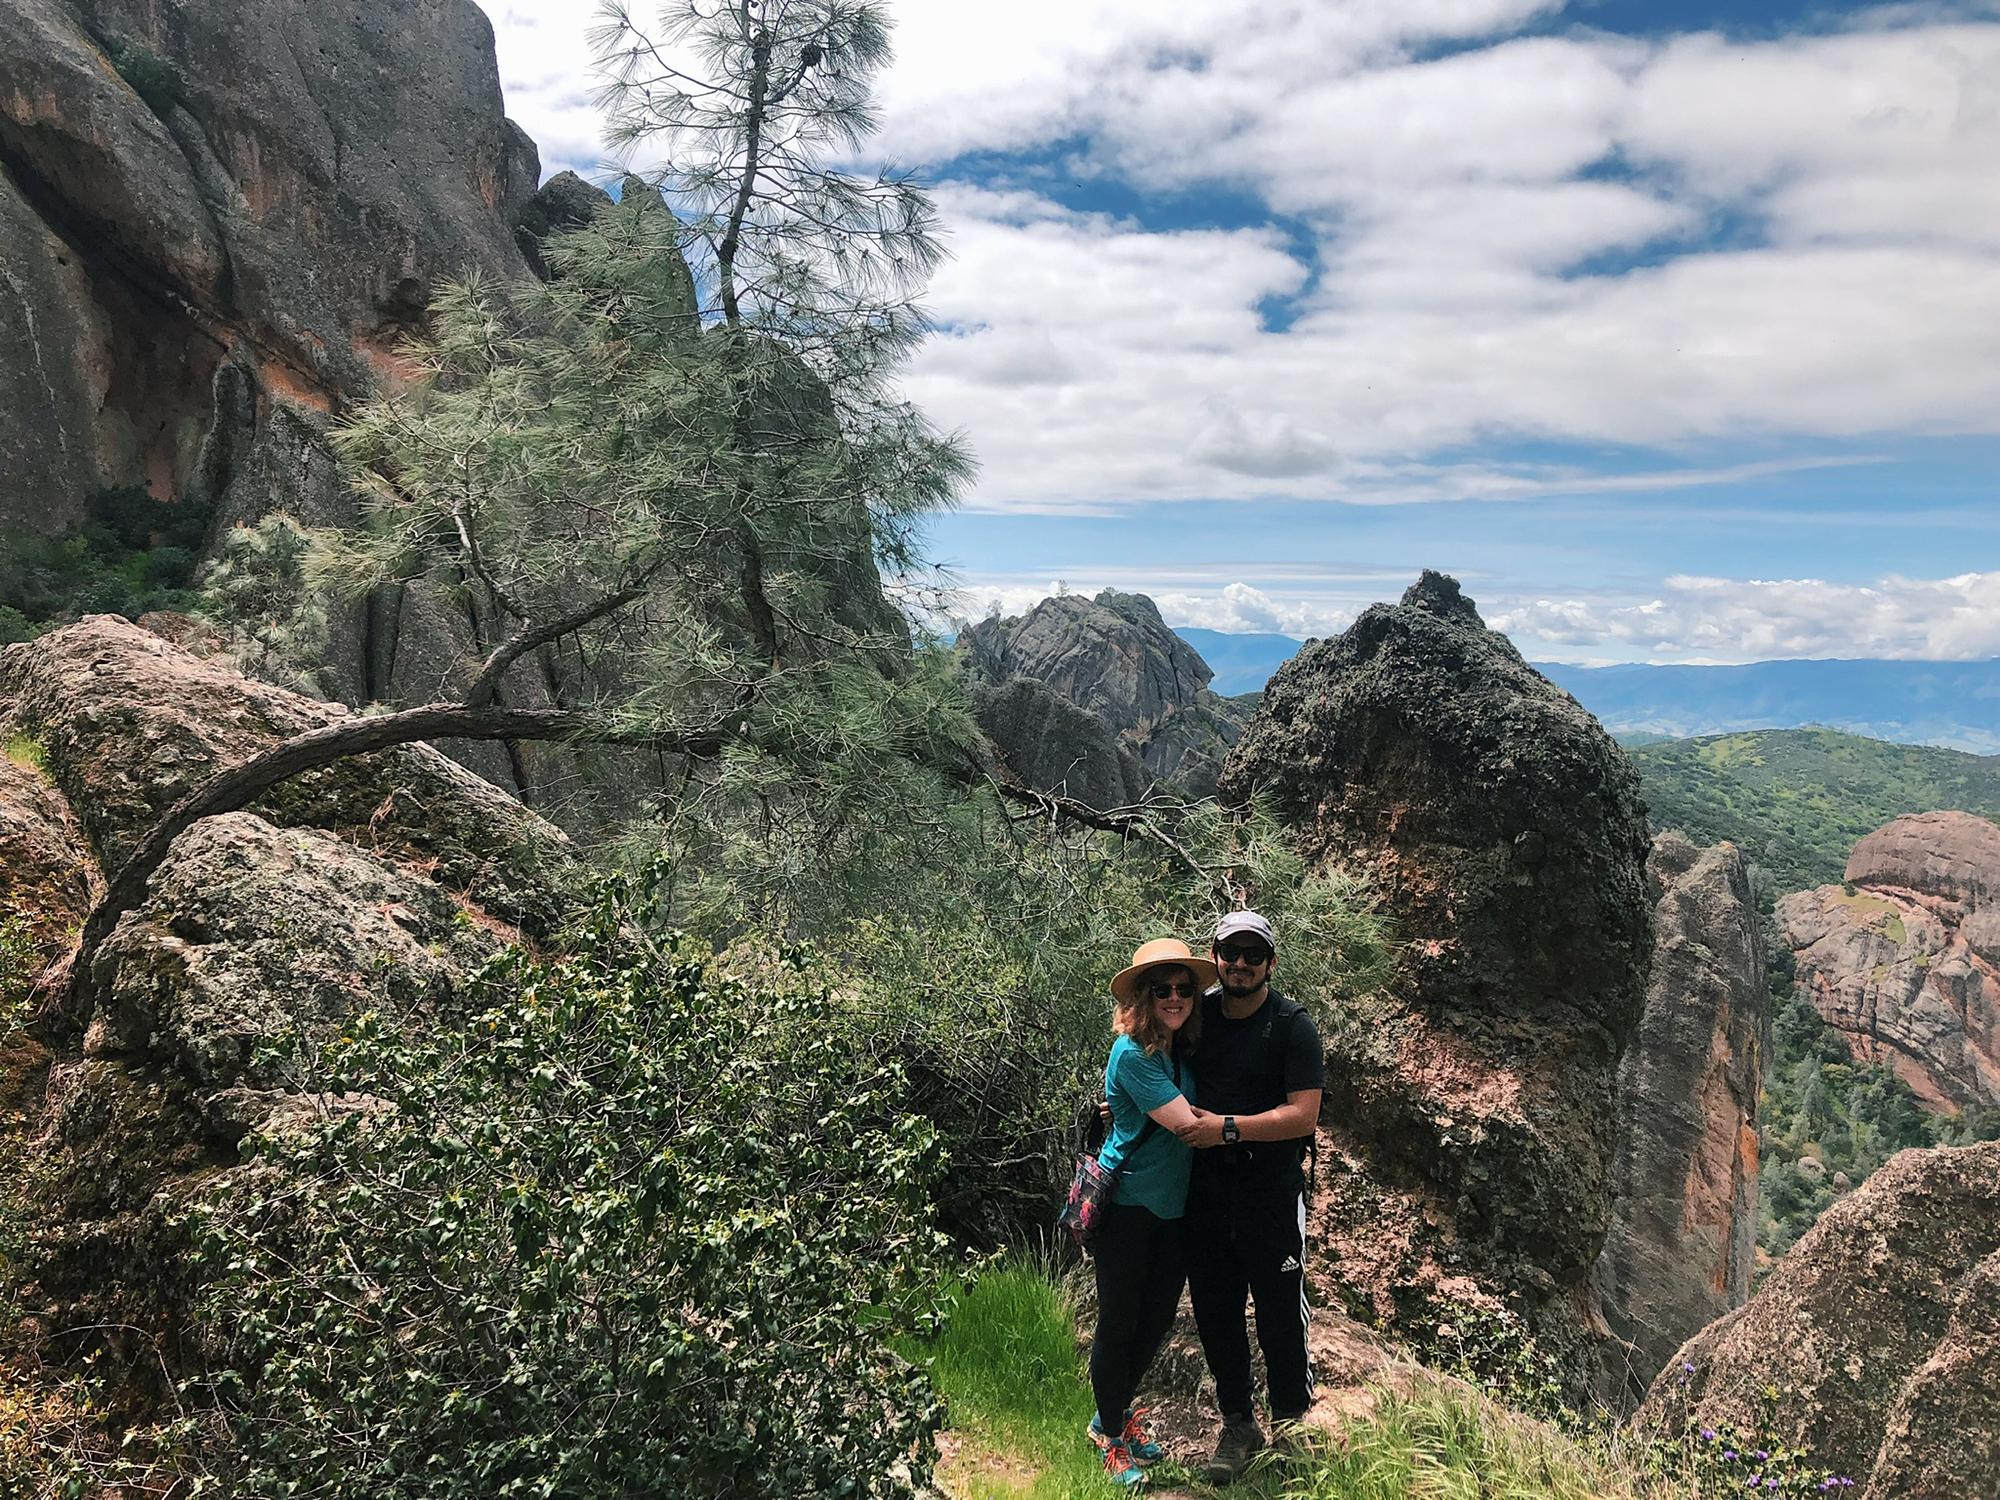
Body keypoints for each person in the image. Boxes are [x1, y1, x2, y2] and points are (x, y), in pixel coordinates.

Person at [1174, 911, 1324, 1485]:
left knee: (1281, 1313)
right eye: (1228, 952)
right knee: (1215, 1311)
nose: (1239, 963)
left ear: (1270, 964)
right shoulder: (1197, 1018)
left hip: (1270, 1192)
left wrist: (1227, 1128)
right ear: (1214, 956)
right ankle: (1238, 1423)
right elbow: (1154, 1064)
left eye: (1251, 954)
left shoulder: (1291, 1026)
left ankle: (1290, 1427)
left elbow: (1303, 1114)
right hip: (1205, 1192)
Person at [1087, 937, 1215, 1490]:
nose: (1174, 997)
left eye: (1183, 988)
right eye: (1161, 989)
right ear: (1142, 996)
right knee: (1118, 1321)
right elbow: (1186, 1122)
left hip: (1171, 1208)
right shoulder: (1134, 1054)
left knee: (1157, 1318)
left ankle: (1110, 1413)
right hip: (1129, 1206)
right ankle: (1109, 1436)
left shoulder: (1174, 1048)